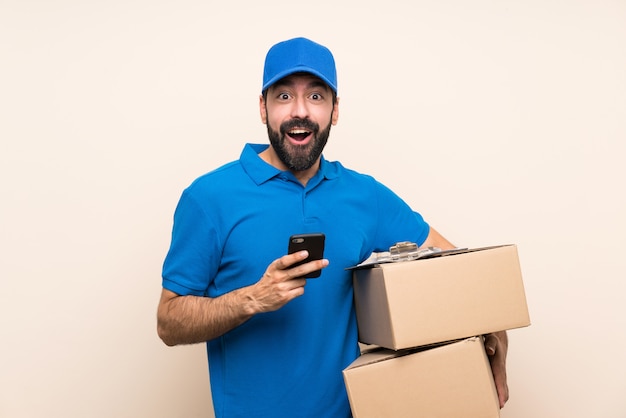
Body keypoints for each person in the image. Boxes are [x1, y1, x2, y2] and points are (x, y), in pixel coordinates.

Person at [157, 37, 509, 418]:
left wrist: (496, 335)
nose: (300, 112)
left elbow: (455, 268)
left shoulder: (364, 195)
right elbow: (169, 322)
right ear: (263, 107)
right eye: (283, 96)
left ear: (335, 110)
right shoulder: (209, 197)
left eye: (316, 96)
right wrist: (253, 298)